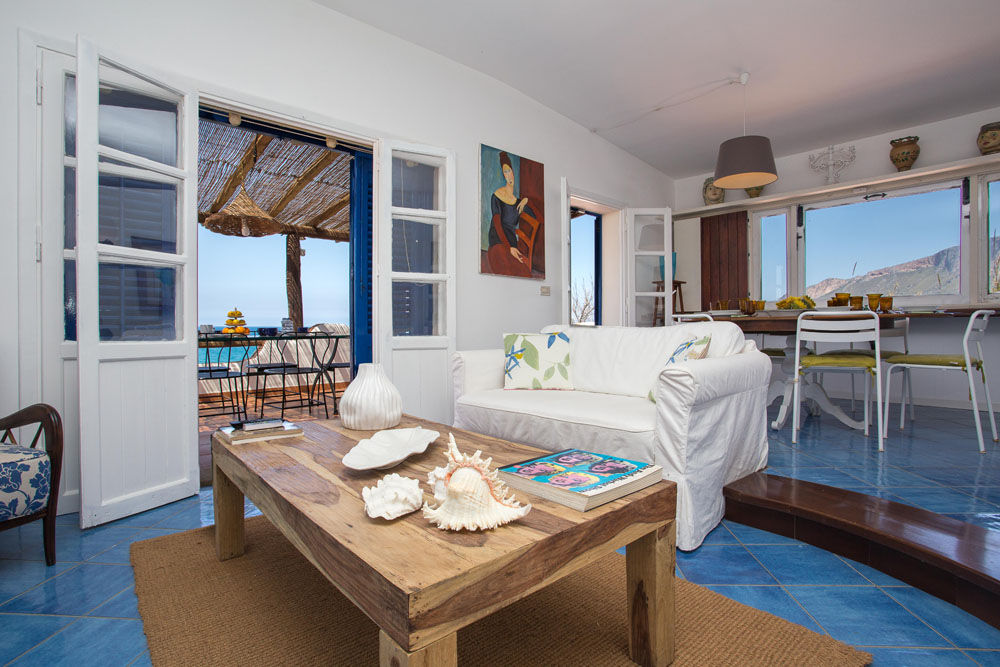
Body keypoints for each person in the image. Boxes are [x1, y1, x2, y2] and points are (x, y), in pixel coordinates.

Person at [486, 151, 536, 277]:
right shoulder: (496, 196)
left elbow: (537, 218)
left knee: (524, 274)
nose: (508, 175)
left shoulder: (519, 203)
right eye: (505, 172)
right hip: (498, 243)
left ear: (513, 172)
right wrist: (509, 247)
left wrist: (527, 201)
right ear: (503, 175)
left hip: (513, 246)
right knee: (506, 271)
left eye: (509, 171)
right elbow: (497, 225)